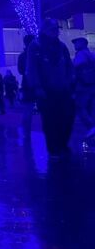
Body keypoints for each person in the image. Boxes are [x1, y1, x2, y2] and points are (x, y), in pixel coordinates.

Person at [26, 18, 75, 157]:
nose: (55, 31)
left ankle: (62, 144)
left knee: (67, 117)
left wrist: (71, 81)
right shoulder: (35, 46)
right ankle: (54, 148)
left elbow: (69, 65)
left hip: (63, 88)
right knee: (50, 119)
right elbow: (32, 68)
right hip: (46, 90)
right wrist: (37, 87)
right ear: (45, 30)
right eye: (52, 28)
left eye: (56, 28)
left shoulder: (62, 46)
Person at [71, 36, 95, 140]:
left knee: (81, 108)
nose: (75, 45)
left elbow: (75, 68)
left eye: (76, 43)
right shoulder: (92, 54)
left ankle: (91, 127)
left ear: (82, 43)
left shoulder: (81, 54)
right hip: (92, 85)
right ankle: (92, 131)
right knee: (91, 108)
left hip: (82, 86)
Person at [18, 34, 37, 137]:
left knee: (27, 110)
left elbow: (20, 70)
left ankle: (26, 133)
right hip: (36, 84)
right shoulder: (37, 54)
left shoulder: (22, 56)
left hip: (27, 84)